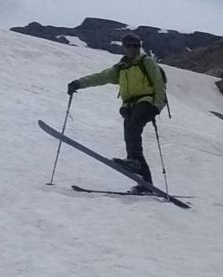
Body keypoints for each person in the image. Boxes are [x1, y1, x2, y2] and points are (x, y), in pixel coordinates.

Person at [67, 33, 168, 194]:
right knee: (131, 136)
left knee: (134, 128)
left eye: (134, 46)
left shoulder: (145, 62)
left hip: (147, 101)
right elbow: (101, 77)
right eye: (128, 46)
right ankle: (145, 184)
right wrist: (79, 83)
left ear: (138, 47)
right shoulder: (121, 67)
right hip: (129, 105)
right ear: (124, 47)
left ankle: (134, 163)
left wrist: (158, 105)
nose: (131, 49)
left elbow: (158, 83)